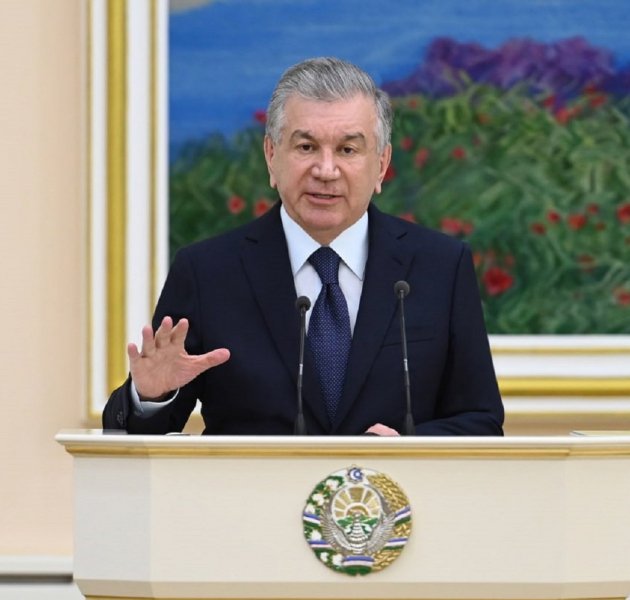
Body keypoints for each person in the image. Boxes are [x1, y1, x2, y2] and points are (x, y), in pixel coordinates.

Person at [103, 57, 504, 436]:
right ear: (271, 156)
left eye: (347, 150)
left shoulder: (441, 266)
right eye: (306, 147)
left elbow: (482, 422)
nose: (326, 171)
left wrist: (404, 446)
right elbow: (135, 437)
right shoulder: (207, 272)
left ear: (381, 165)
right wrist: (150, 397)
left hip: (393, 488)